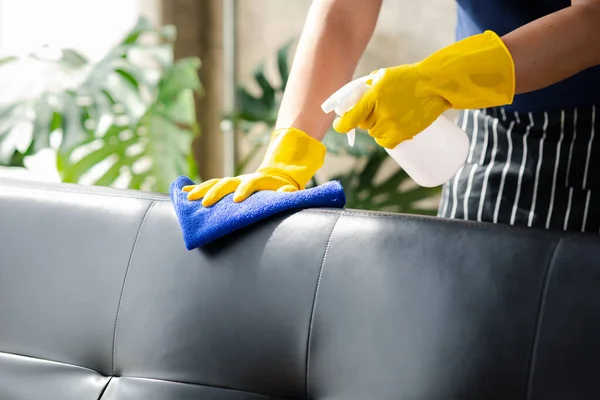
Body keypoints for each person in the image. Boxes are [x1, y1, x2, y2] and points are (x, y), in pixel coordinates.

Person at [184, 0, 600, 233]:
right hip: (491, 136)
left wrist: (440, 81)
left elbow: (593, 20)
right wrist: (287, 154)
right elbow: (344, 12)